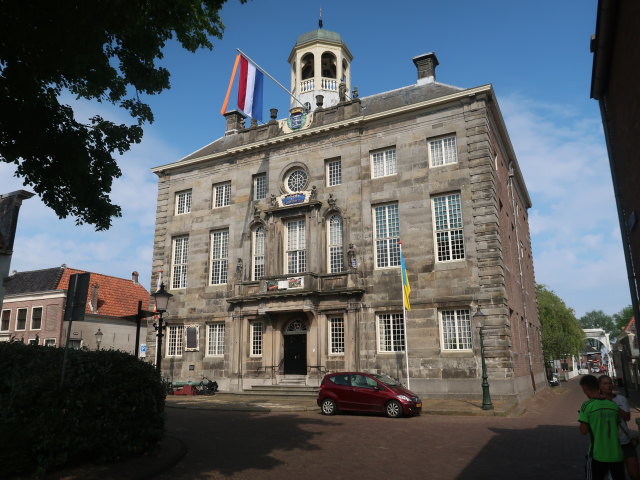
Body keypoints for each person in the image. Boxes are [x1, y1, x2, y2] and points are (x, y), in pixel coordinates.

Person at [578, 374, 625, 479]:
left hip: (597, 455)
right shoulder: (613, 405)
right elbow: (615, 425)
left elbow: (583, 431)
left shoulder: (587, 405)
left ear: (586, 388)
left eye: (583, 390)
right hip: (617, 455)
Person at [599, 374, 640, 480]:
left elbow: (627, 417)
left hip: (625, 441)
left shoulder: (621, 399)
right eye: (605, 383)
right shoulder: (597, 403)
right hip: (609, 445)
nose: (609, 385)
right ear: (599, 386)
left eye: (610, 382)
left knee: (634, 474)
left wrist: (613, 405)